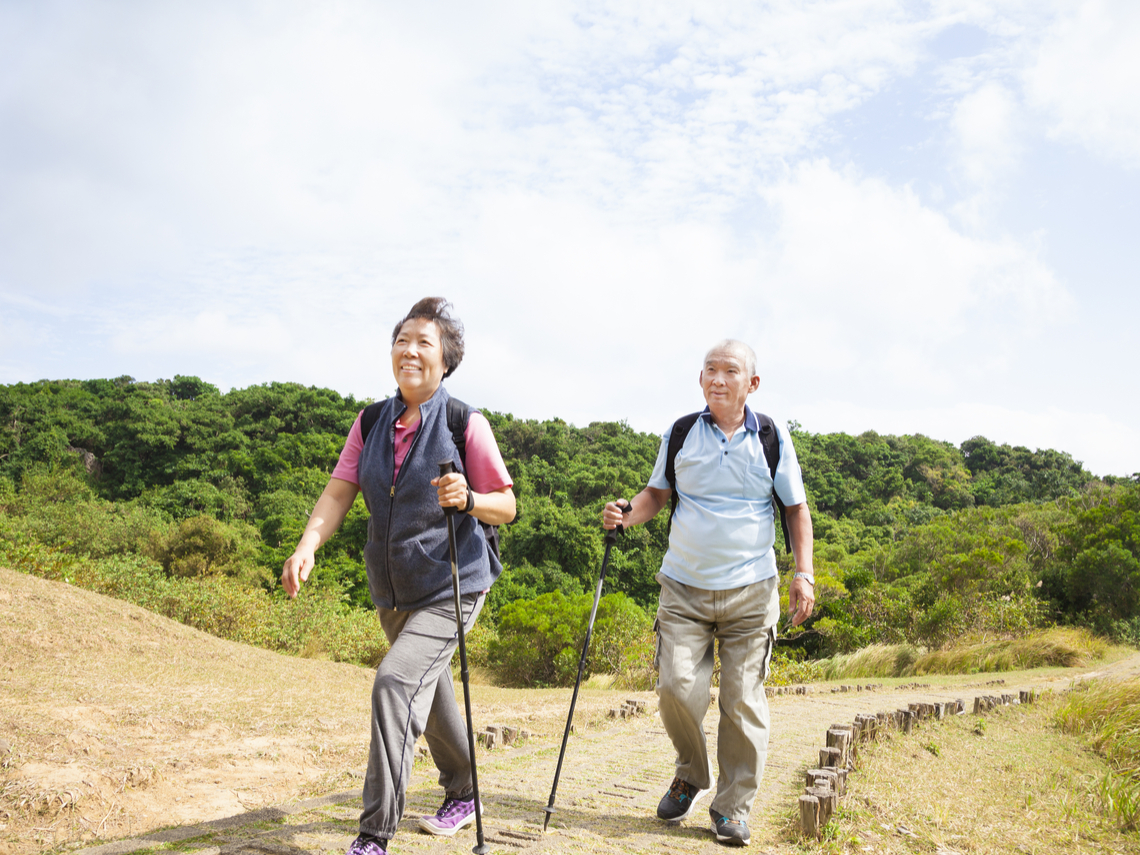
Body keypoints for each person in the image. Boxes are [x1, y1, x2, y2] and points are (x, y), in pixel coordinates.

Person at [281, 298, 516, 855]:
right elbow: (340, 490)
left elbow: (506, 505)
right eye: (402, 339)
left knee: (394, 683)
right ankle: (464, 790)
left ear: (446, 359)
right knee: (427, 693)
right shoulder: (370, 421)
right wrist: (307, 544)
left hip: (453, 583)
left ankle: (373, 833)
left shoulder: (465, 422)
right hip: (393, 588)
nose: (410, 350)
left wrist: (471, 496)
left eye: (424, 342)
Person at [602, 338, 815, 848]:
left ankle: (732, 808)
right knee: (676, 688)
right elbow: (658, 492)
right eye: (710, 370)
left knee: (742, 702)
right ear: (700, 380)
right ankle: (692, 774)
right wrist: (627, 513)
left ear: (752, 384)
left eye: (730, 371)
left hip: (751, 589)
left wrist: (802, 573)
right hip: (683, 585)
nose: (718, 379)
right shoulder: (681, 433)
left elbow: (795, 509)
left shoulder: (771, 436)